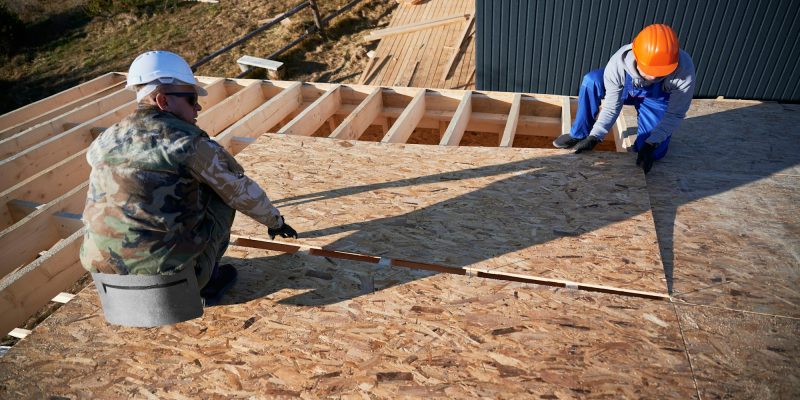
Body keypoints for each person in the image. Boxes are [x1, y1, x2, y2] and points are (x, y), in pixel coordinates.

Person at [80, 50, 298, 306]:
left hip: (103, 273)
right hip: (168, 281)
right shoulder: (188, 144)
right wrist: (275, 221)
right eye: (191, 98)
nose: (198, 106)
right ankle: (206, 279)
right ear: (163, 101)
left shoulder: (105, 139)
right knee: (221, 192)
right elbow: (240, 191)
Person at [553, 23, 695, 174]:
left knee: (654, 153)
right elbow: (612, 106)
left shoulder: (684, 71)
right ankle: (579, 134)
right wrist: (596, 136)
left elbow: (675, 114)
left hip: (656, 98)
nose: (653, 76)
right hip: (625, 90)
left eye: (659, 72)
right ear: (637, 56)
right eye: (648, 70)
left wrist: (652, 142)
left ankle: (649, 145)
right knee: (591, 81)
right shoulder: (619, 63)